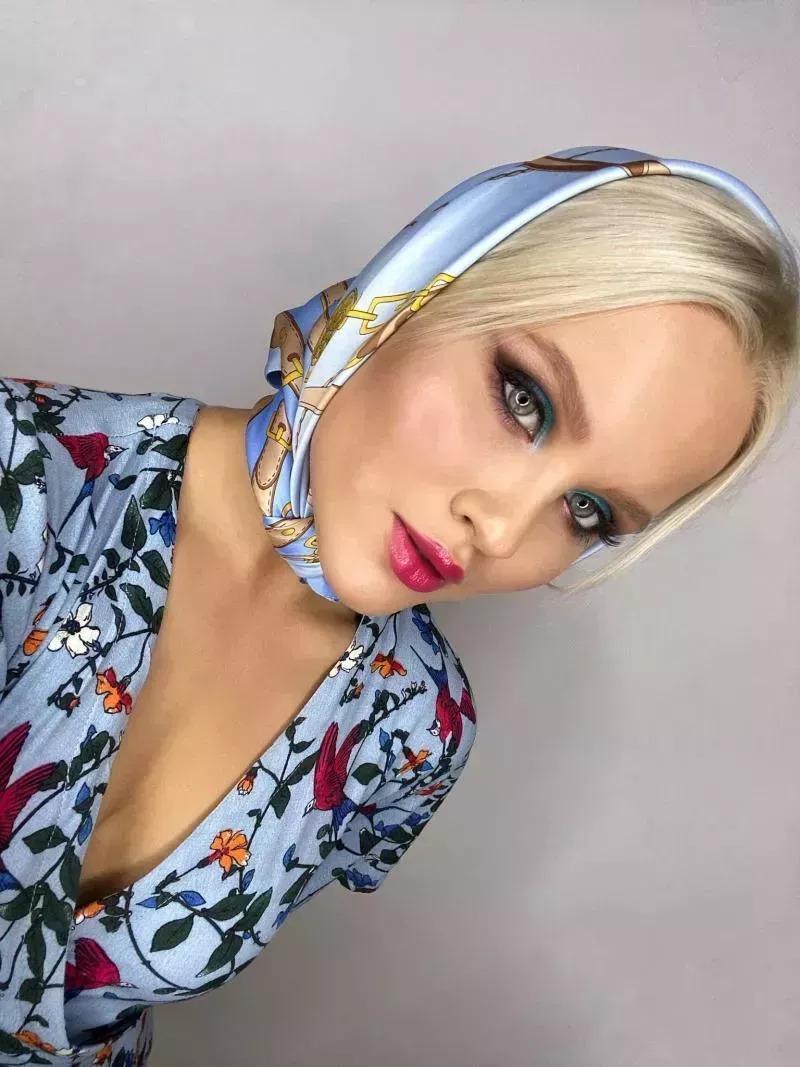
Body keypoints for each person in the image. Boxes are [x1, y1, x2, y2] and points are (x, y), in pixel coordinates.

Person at [0, 145, 797, 1064]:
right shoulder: (29, 479)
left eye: (588, 511)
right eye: (524, 400)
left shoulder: (412, 729)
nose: (502, 527)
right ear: (414, 287)